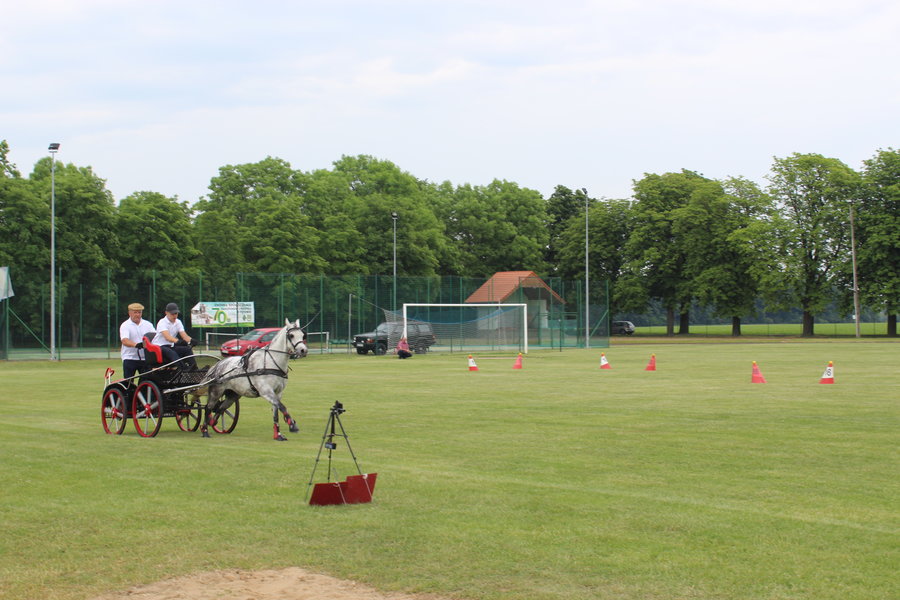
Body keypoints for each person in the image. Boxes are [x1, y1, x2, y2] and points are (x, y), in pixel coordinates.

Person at [152, 302, 196, 369]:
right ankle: (184, 369)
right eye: (172, 314)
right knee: (172, 353)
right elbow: (167, 337)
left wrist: (191, 340)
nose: (174, 316)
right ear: (166, 313)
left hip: (170, 346)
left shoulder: (178, 322)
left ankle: (194, 368)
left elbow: (184, 335)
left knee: (187, 349)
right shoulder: (162, 322)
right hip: (159, 346)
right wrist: (178, 341)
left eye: (176, 313)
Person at [120, 302, 156, 380]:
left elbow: (155, 337)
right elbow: (125, 340)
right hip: (129, 358)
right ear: (129, 313)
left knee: (146, 381)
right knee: (128, 382)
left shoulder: (148, 325)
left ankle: (141, 392)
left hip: (145, 358)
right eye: (135, 312)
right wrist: (137, 345)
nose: (137, 315)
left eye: (139, 312)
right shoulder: (125, 325)